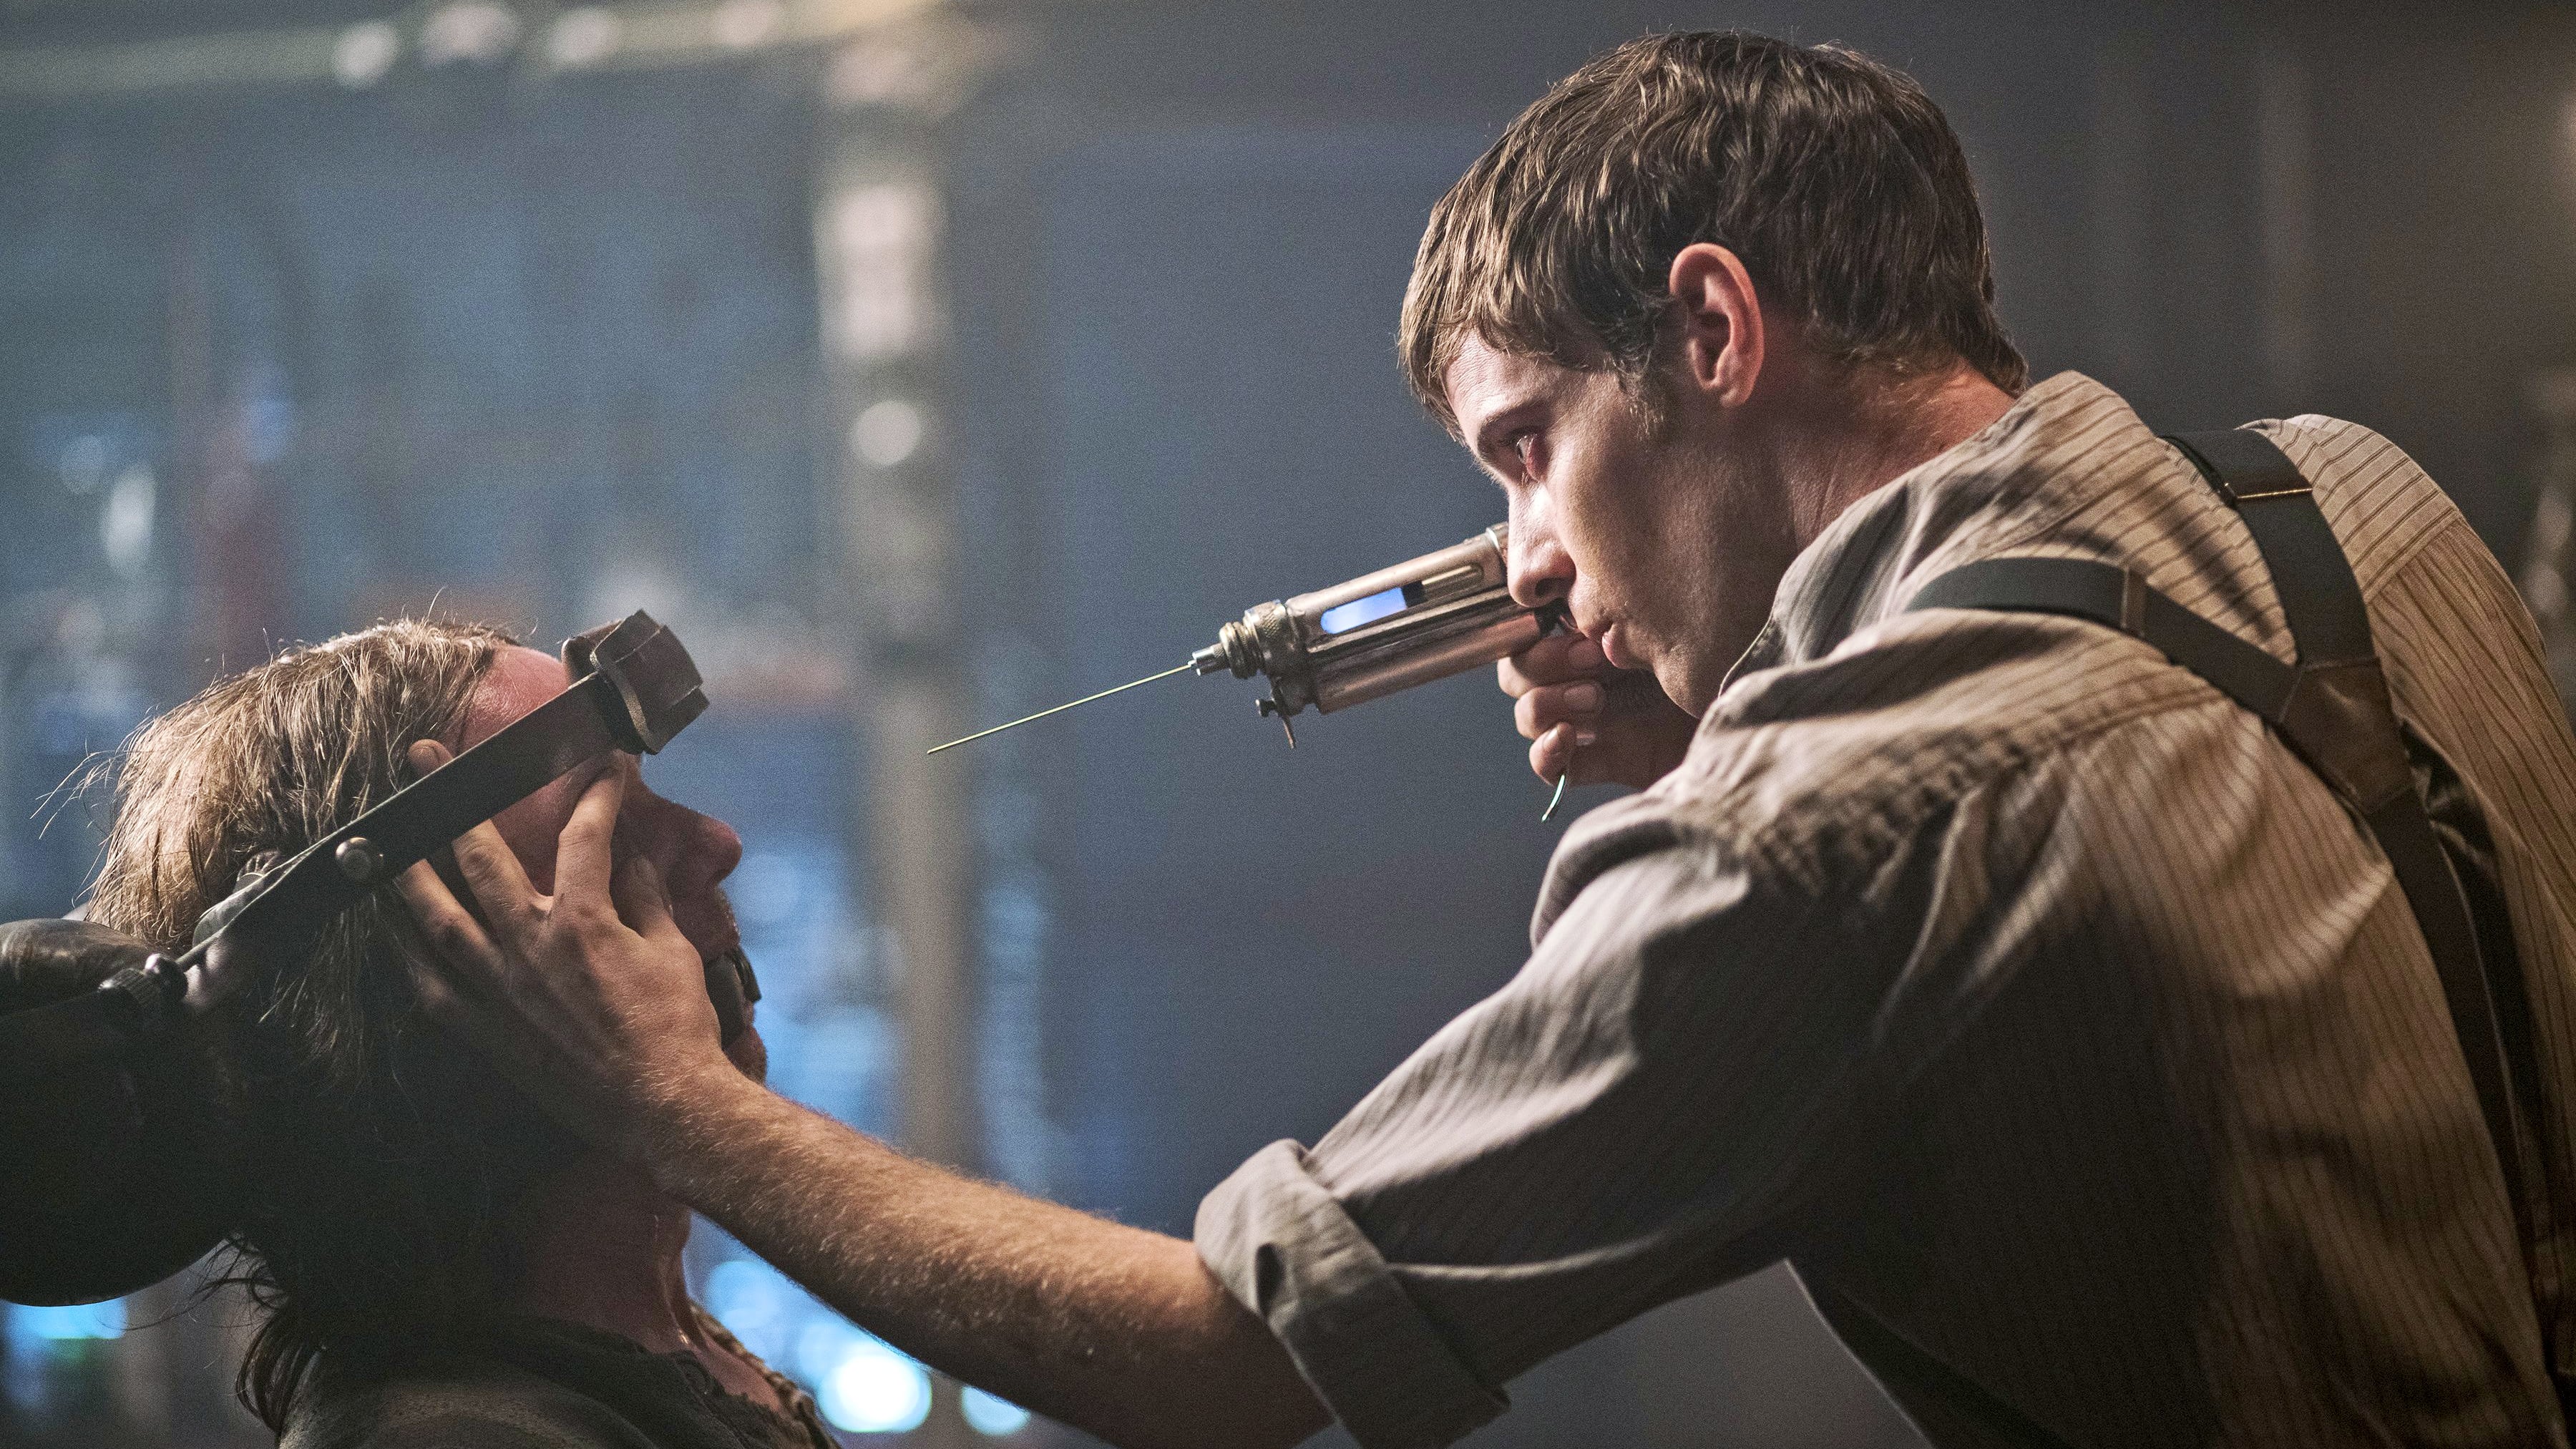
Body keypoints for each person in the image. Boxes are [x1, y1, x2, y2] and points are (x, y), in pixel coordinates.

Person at [394, 31, 2576, 1449]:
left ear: (1714, 327)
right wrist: (1723, 732)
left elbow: (1224, 1359)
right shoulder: (2354, 504)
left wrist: (672, 1102)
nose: (1525, 559)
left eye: (1528, 446)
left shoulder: (1809, 846)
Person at [84, 619, 834, 1449]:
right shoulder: (452, 1435)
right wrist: (685, 1105)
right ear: (422, 969)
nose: (716, 844)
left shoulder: (670, 1351)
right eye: (604, 831)